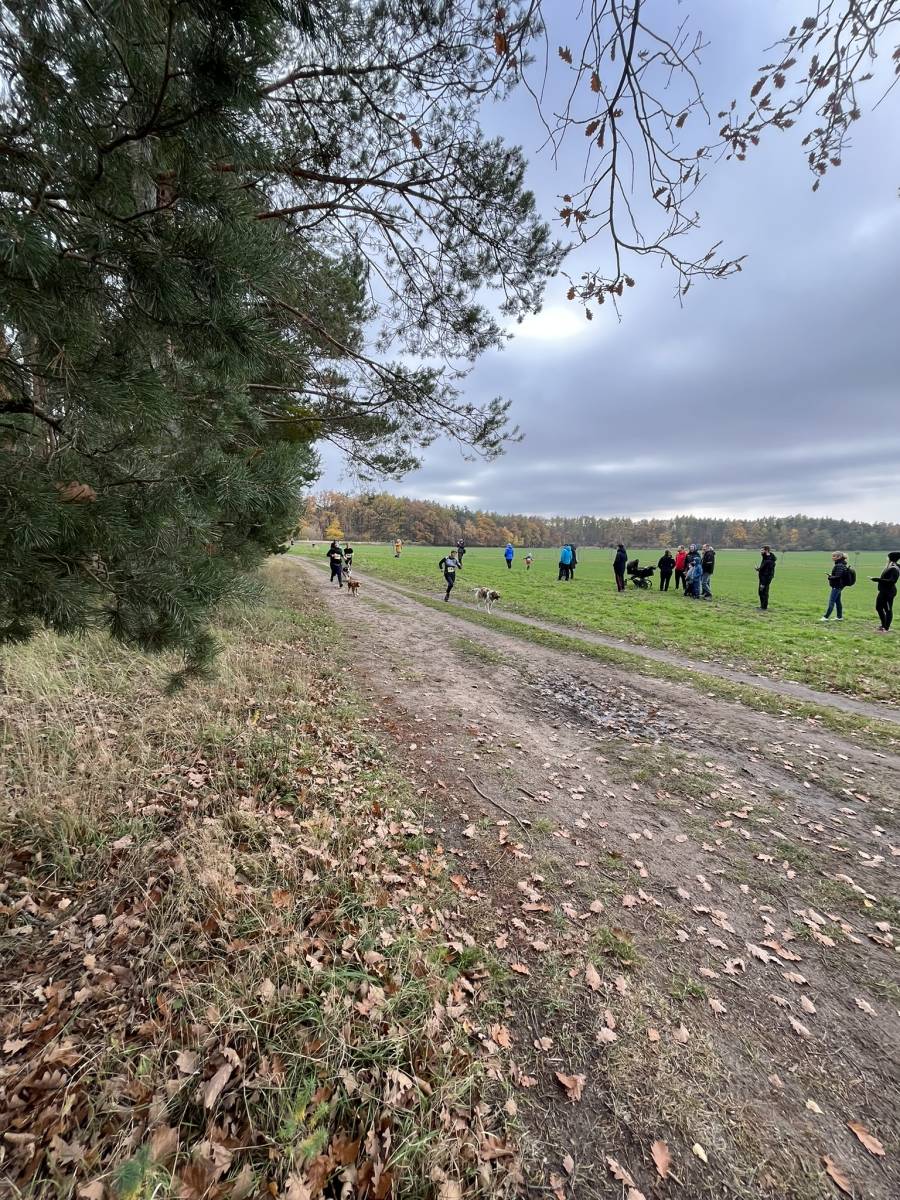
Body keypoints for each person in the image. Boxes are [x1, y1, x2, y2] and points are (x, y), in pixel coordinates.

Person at [871, 552, 900, 632]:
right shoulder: (891, 566)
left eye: (888, 557)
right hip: (883, 591)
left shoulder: (894, 568)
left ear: (891, 558)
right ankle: (883, 625)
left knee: (888, 610)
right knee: (878, 607)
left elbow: (892, 581)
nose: (886, 558)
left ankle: (886, 628)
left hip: (889, 592)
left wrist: (878, 580)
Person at [821, 552, 851, 621]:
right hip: (839, 585)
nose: (832, 557)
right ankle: (839, 617)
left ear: (839, 557)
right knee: (838, 601)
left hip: (837, 586)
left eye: (834, 556)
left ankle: (826, 617)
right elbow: (839, 575)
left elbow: (838, 576)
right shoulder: (841, 564)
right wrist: (831, 576)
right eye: (832, 556)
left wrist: (830, 577)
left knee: (831, 601)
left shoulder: (839, 565)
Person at [756, 546, 777, 610]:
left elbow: (768, 573)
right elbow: (764, 569)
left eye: (762, 550)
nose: (761, 552)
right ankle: (762, 606)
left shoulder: (769, 561)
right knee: (761, 592)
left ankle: (764, 607)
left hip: (765, 579)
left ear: (766, 551)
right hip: (763, 578)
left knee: (764, 592)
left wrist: (763, 583)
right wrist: (759, 569)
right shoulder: (765, 558)